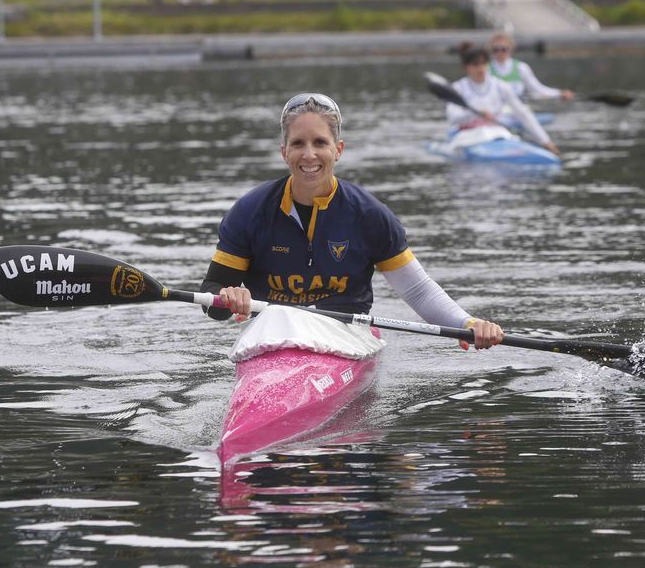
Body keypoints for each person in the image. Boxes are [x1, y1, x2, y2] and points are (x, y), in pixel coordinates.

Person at [201, 93, 505, 352]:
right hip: (269, 335)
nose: (309, 155)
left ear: (338, 150)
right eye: (298, 144)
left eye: (320, 142)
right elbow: (211, 297)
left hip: (345, 335)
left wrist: (468, 324)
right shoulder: (250, 211)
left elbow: (417, 292)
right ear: (284, 152)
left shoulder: (370, 215)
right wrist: (227, 298)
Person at [449, 44, 559, 156]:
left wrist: (546, 141)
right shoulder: (457, 88)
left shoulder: (501, 86)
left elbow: (523, 114)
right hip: (468, 135)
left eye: (484, 63)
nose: (480, 68)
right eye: (475, 64)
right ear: (465, 67)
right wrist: (475, 113)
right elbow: (453, 118)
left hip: (497, 133)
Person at [488, 33, 575, 102]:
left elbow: (538, 89)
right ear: (491, 50)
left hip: (517, 110)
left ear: (511, 49)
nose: (499, 53)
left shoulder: (521, 68)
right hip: (496, 111)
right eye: (495, 49)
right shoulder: (485, 70)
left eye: (503, 49)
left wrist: (559, 94)